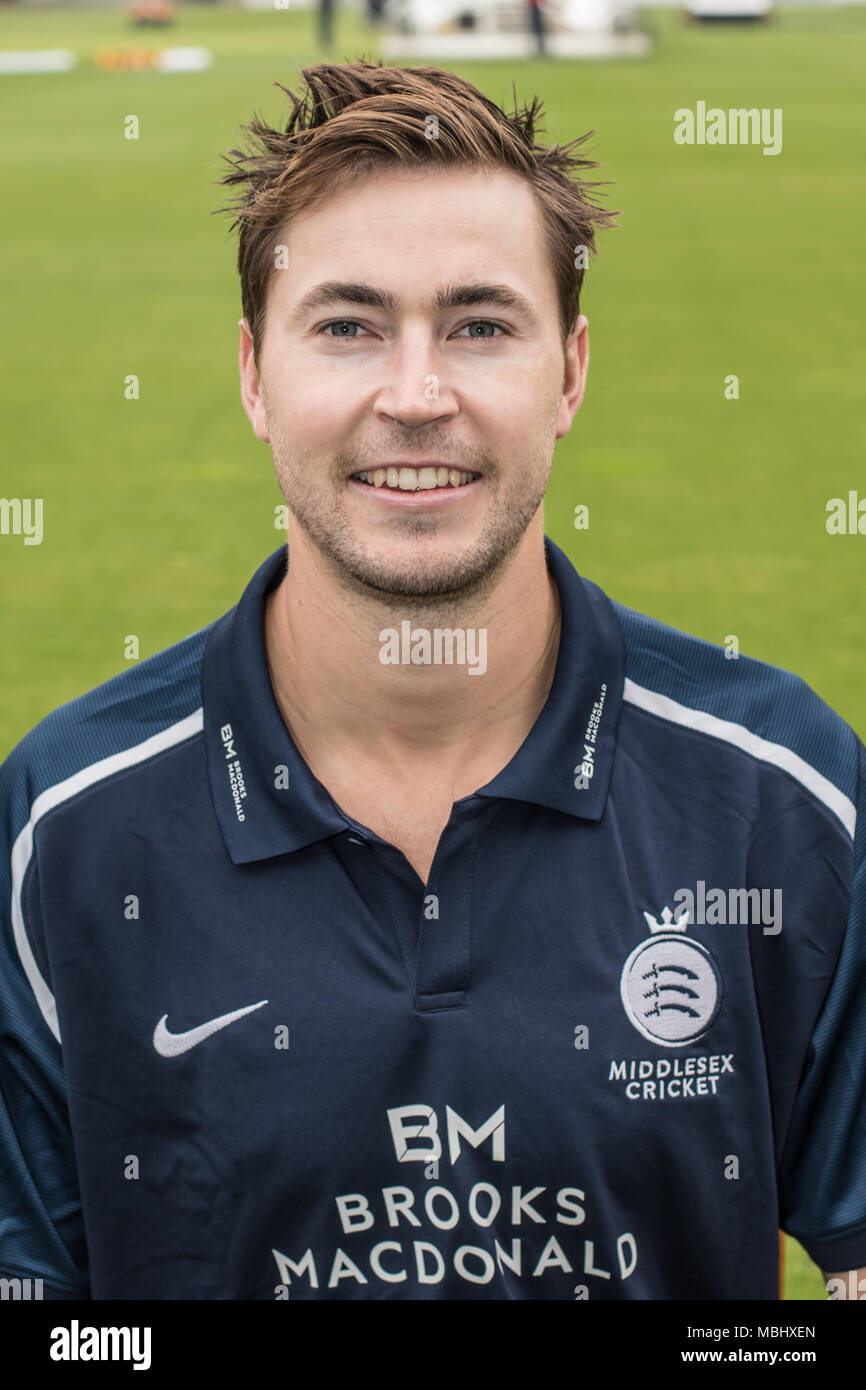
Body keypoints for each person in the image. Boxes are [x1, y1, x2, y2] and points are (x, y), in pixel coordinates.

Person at [0, 60, 863, 1301]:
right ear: (253, 373)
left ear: (568, 373)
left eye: (479, 324)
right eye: (346, 325)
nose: (415, 396)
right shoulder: (65, 831)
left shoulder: (780, 799)